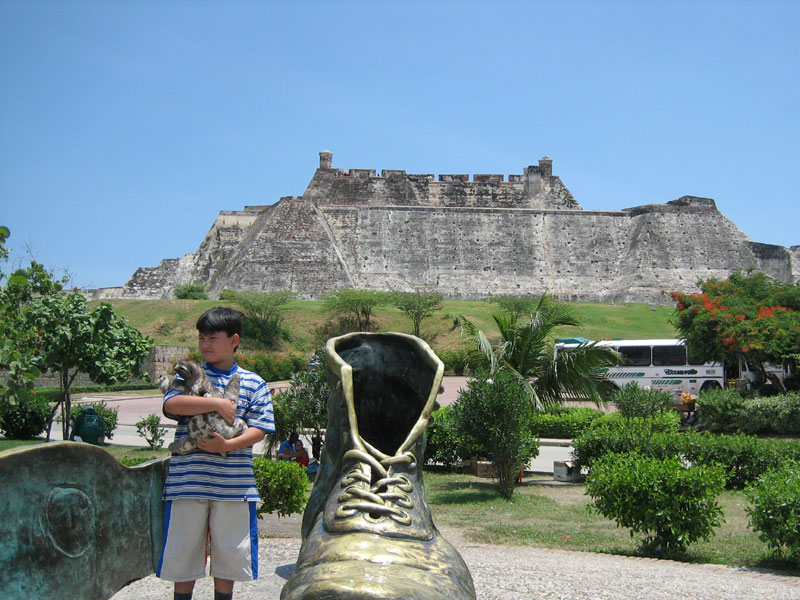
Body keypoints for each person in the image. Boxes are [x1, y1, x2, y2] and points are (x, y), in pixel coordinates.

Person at [158, 307, 275, 600]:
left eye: (213, 338)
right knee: (182, 557)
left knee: (229, 557)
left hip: (234, 487)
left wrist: (227, 446)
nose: (205, 344)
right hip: (188, 483)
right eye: (202, 338)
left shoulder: (253, 382)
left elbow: (260, 429)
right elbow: (171, 404)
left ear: (234, 340)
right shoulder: (189, 375)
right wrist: (217, 404)